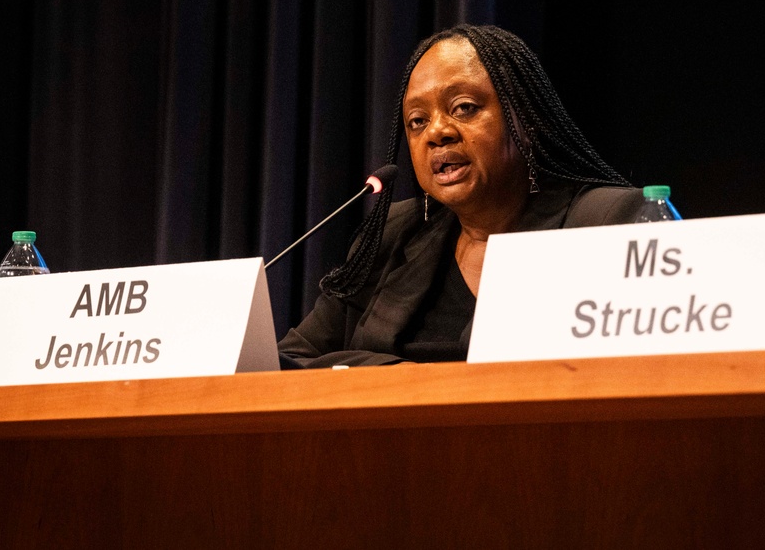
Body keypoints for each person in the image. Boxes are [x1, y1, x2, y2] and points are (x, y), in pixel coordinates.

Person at [276, 24, 644, 368]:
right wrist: (403, 381)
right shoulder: (391, 237)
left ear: (526, 123)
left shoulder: (603, 223)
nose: (436, 132)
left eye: (464, 108)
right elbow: (289, 359)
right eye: (418, 121)